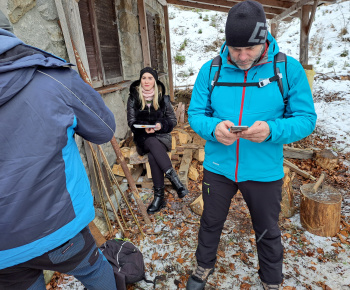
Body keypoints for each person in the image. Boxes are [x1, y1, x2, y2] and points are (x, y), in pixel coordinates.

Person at [186, 1, 317, 289]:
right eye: (235, 49)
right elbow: (195, 114)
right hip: (219, 166)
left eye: (249, 49)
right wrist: (212, 128)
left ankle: (271, 281)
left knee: (268, 230)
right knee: (210, 222)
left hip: (263, 169)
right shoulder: (211, 71)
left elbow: (306, 119)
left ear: (264, 40)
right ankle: (203, 267)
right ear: (226, 43)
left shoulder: (287, 69)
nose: (242, 57)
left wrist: (272, 129)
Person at [0, 11, 117, 290]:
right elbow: (104, 129)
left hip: (3, 246)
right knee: (96, 272)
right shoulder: (50, 76)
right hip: (56, 225)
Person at [127, 67, 188, 214]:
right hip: (143, 138)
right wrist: (143, 129)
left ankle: (159, 197)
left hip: (161, 136)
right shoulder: (133, 98)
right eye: (144, 78)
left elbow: (172, 121)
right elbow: (131, 122)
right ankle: (175, 181)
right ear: (140, 80)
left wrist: (161, 125)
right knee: (151, 142)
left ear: (155, 81)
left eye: (150, 78)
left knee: (154, 155)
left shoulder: (163, 98)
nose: (146, 81)